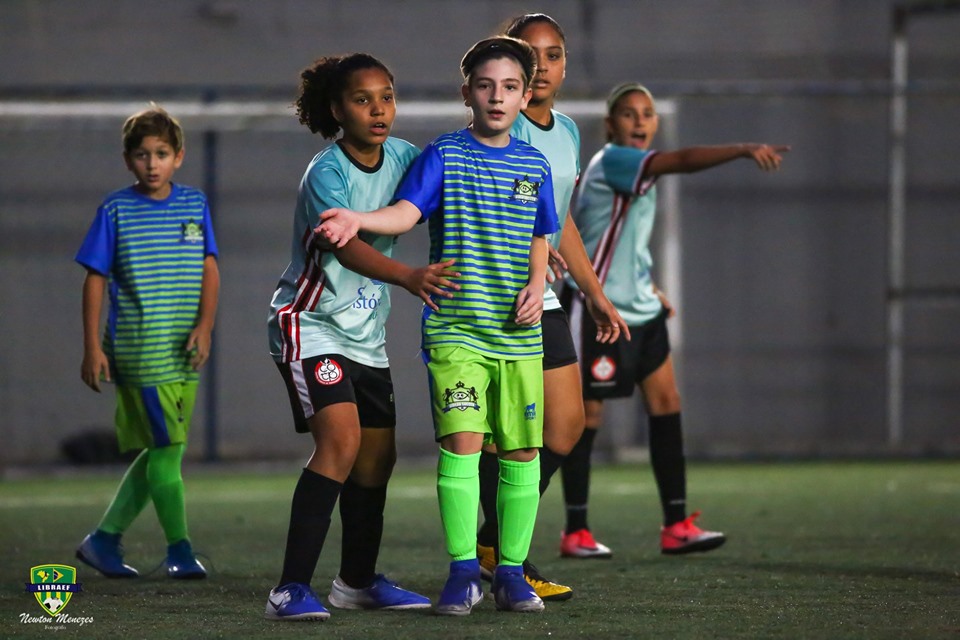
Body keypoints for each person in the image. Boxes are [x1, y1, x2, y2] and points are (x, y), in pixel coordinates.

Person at [318, 36, 558, 615]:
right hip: (457, 332)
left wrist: (536, 284)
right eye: (485, 86)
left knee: (522, 454)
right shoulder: (445, 155)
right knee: (463, 444)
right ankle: (459, 574)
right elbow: (405, 213)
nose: (497, 97)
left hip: (519, 335)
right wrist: (358, 217)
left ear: (525, 96)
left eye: (508, 87)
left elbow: (540, 233)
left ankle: (510, 574)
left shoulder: (535, 164)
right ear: (466, 93)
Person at [559, 82, 789, 557]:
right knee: (587, 415)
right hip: (601, 312)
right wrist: (744, 149)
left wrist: (648, 285)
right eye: (628, 114)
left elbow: (626, 240)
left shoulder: (635, 169)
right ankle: (575, 531)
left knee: (666, 401)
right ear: (610, 125)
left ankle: (676, 523)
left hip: (642, 310)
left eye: (647, 113)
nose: (640, 121)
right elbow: (680, 162)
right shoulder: (614, 161)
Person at [264, 53, 454, 621]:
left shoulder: (406, 158)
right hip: (311, 324)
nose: (378, 109)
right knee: (341, 444)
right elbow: (345, 245)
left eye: (387, 96)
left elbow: (449, 199)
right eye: (362, 99)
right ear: (335, 108)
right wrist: (410, 276)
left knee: (377, 459)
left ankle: (357, 581)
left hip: (364, 337)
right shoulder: (328, 172)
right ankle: (289, 589)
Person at [473, 12, 630, 599]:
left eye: (554, 54)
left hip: (544, 298)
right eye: (530, 54)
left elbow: (557, 216)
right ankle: (500, 556)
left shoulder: (564, 130)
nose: (542, 66)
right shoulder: (499, 125)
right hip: (491, 300)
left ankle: (493, 542)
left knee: (563, 428)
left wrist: (594, 294)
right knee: (497, 435)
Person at [74, 106, 219, 580]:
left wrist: (205, 325)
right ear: (127, 160)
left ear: (178, 157)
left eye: (161, 153)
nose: (152, 163)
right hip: (141, 350)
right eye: (142, 155)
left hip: (185, 350)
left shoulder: (194, 205)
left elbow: (209, 267)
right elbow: (95, 278)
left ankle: (104, 540)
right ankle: (180, 549)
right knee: (167, 449)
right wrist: (93, 346)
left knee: (162, 450)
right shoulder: (115, 209)